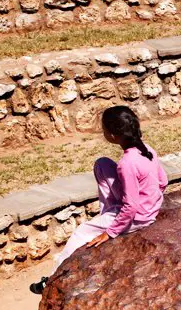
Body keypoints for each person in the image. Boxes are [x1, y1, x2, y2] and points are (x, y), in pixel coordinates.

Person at [31, 106, 167, 294]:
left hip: (137, 216)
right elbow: (163, 182)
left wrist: (111, 232)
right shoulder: (147, 150)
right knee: (102, 164)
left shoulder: (127, 164)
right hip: (147, 208)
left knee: (81, 232)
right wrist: (151, 202)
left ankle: (52, 279)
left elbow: (132, 205)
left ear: (112, 135)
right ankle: (108, 213)